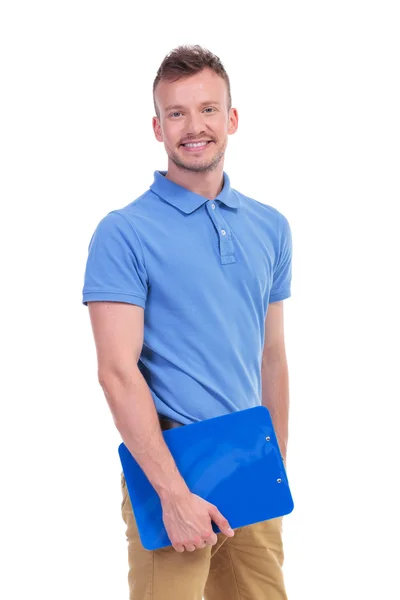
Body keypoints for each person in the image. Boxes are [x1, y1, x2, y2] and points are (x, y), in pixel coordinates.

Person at [82, 44, 292, 600]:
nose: (193, 127)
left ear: (233, 118)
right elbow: (116, 373)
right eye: (176, 113)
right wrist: (173, 495)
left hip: (251, 462)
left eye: (207, 109)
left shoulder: (271, 228)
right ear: (157, 127)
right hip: (171, 469)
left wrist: (277, 466)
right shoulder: (123, 232)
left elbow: (272, 355)